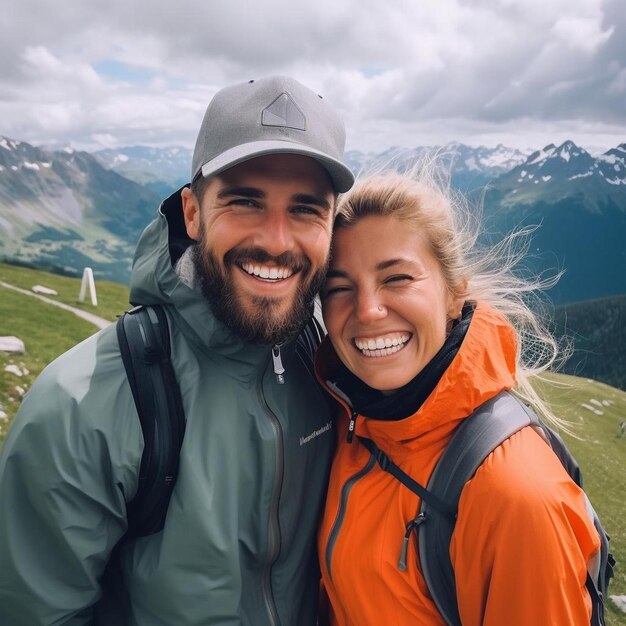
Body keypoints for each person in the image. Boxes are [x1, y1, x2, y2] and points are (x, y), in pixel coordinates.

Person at [0, 75, 354, 625]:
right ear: (191, 213)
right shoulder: (81, 408)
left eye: (307, 209)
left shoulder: (333, 366)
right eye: (245, 201)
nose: (278, 241)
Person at [314, 167, 601, 625]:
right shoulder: (351, 418)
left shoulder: (514, 495)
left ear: (454, 293)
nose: (367, 311)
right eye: (339, 288)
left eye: (397, 279)